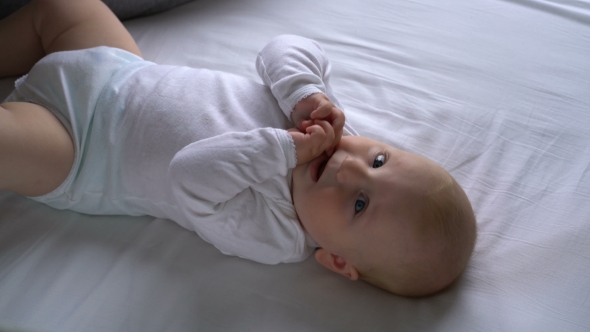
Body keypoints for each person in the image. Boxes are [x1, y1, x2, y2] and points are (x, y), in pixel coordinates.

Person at [0, 0, 476, 297]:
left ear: (336, 259)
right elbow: (280, 48)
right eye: (379, 160)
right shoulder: (322, 119)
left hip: (79, 147)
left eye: (359, 204)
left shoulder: (277, 233)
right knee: (61, 7)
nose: (350, 169)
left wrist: (284, 149)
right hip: (119, 71)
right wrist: (304, 92)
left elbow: (188, 176)